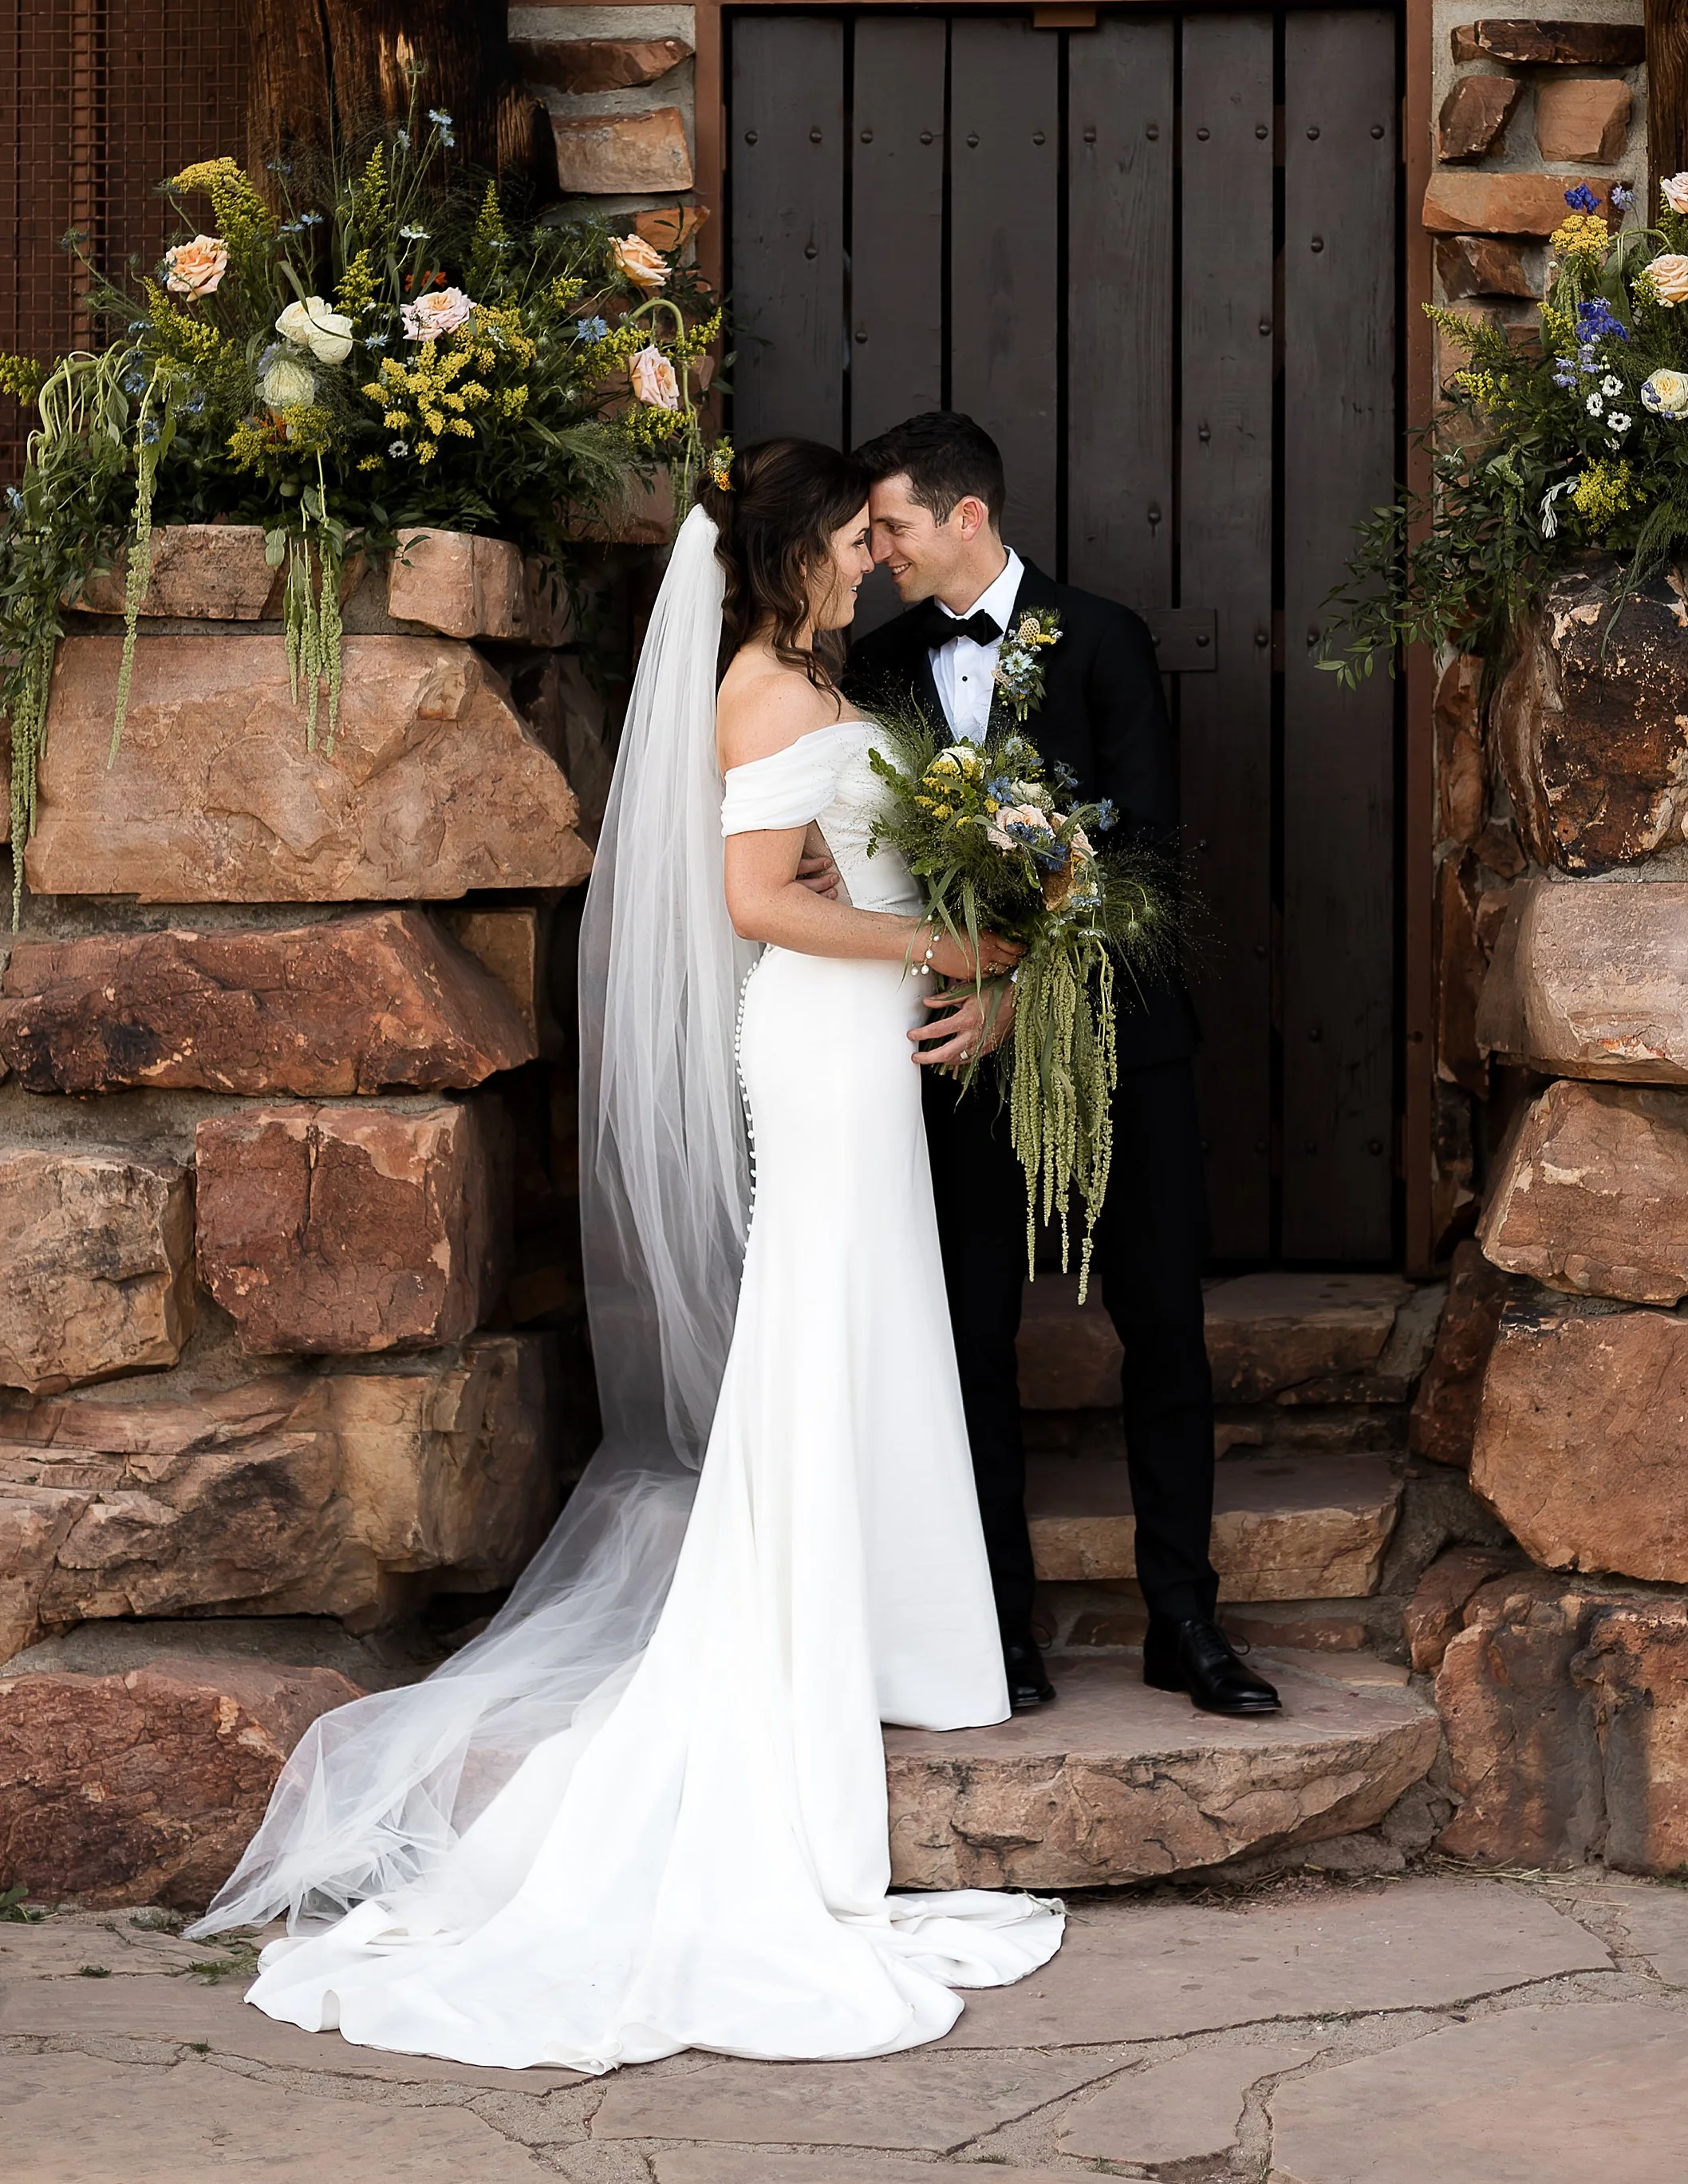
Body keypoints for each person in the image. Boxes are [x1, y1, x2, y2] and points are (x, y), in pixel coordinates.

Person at [190, 438, 1063, 2072]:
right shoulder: (759, 688)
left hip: (858, 1024)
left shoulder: (814, 679)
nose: (871, 560)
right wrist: (929, 939)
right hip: (815, 1036)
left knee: (865, 1318)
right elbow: (750, 901)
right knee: (822, 1315)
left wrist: (949, 923)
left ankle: (894, 1632)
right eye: (848, 543)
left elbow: (821, 854)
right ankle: (809, 1640)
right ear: (791, 554)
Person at [844, 411, 1280, 1723]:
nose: (878, 553)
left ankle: (1185, 1620)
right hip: (951, 1053)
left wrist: (1019, 988)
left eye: (895, 529)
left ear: (965, 517)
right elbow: (867, 847)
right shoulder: (878, 663)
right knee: (969, 1337)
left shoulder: (1104, 637)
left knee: (1165, 1329)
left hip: (1116, 1037)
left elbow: (1138, 843)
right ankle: (997, 1623)